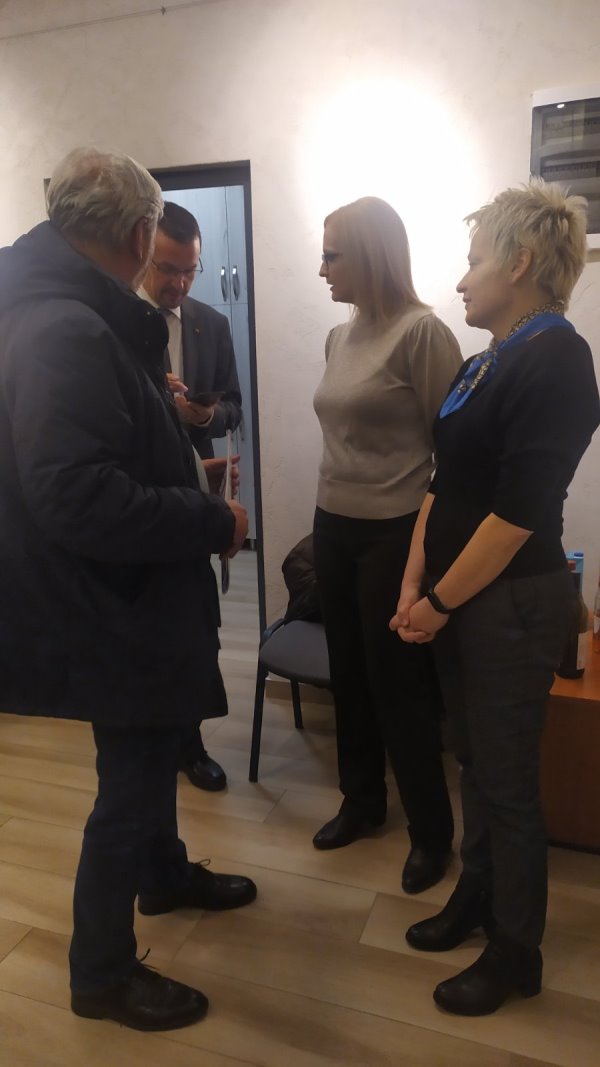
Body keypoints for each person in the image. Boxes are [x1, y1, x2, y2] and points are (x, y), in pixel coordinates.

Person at [0, 147, 257, 1032]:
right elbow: (76, 494)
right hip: (110, 602)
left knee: (146, 758)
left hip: (110, 594)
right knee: (133, 786)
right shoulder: (66, 326)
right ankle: (102, 972)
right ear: (143, 232)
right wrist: (210, 519)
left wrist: (179, 459)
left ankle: (164, 875)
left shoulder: (57, 308)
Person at [391, 180, 600, 1015]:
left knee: (507, 782)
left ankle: (517, 951)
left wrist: (437, 600)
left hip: (510, 601)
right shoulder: (484, 363)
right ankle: (476, 894)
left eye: (475, 259)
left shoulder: (558, 358)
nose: (462, 277)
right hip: (460, 596)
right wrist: (413, 581)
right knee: (474, 760)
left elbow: (516, 517)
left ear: (520, 261)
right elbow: (444, 483)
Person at [312, 196, 463, 894]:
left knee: (397, 683)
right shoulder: (338, 337)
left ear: (371, 255)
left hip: (395, 532)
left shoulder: (422, 333)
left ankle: (431, 834)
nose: (322, 269)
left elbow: (454, 452)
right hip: (332, 522)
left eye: (332, 255)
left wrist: (430, 554)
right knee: (347, 671)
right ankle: (362, 800)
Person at [140, 201, 243, 793]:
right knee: (151, 625)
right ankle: (156, 738)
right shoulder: (116, 322)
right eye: (167, 269)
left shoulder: (212, 324)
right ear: (142, 257)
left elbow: (233, 407)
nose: (179, 284)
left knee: (196, 622)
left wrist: (205, 414)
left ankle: (190, 742)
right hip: (139, 497)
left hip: (195, 492)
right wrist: (159, 400)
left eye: (189, 270)